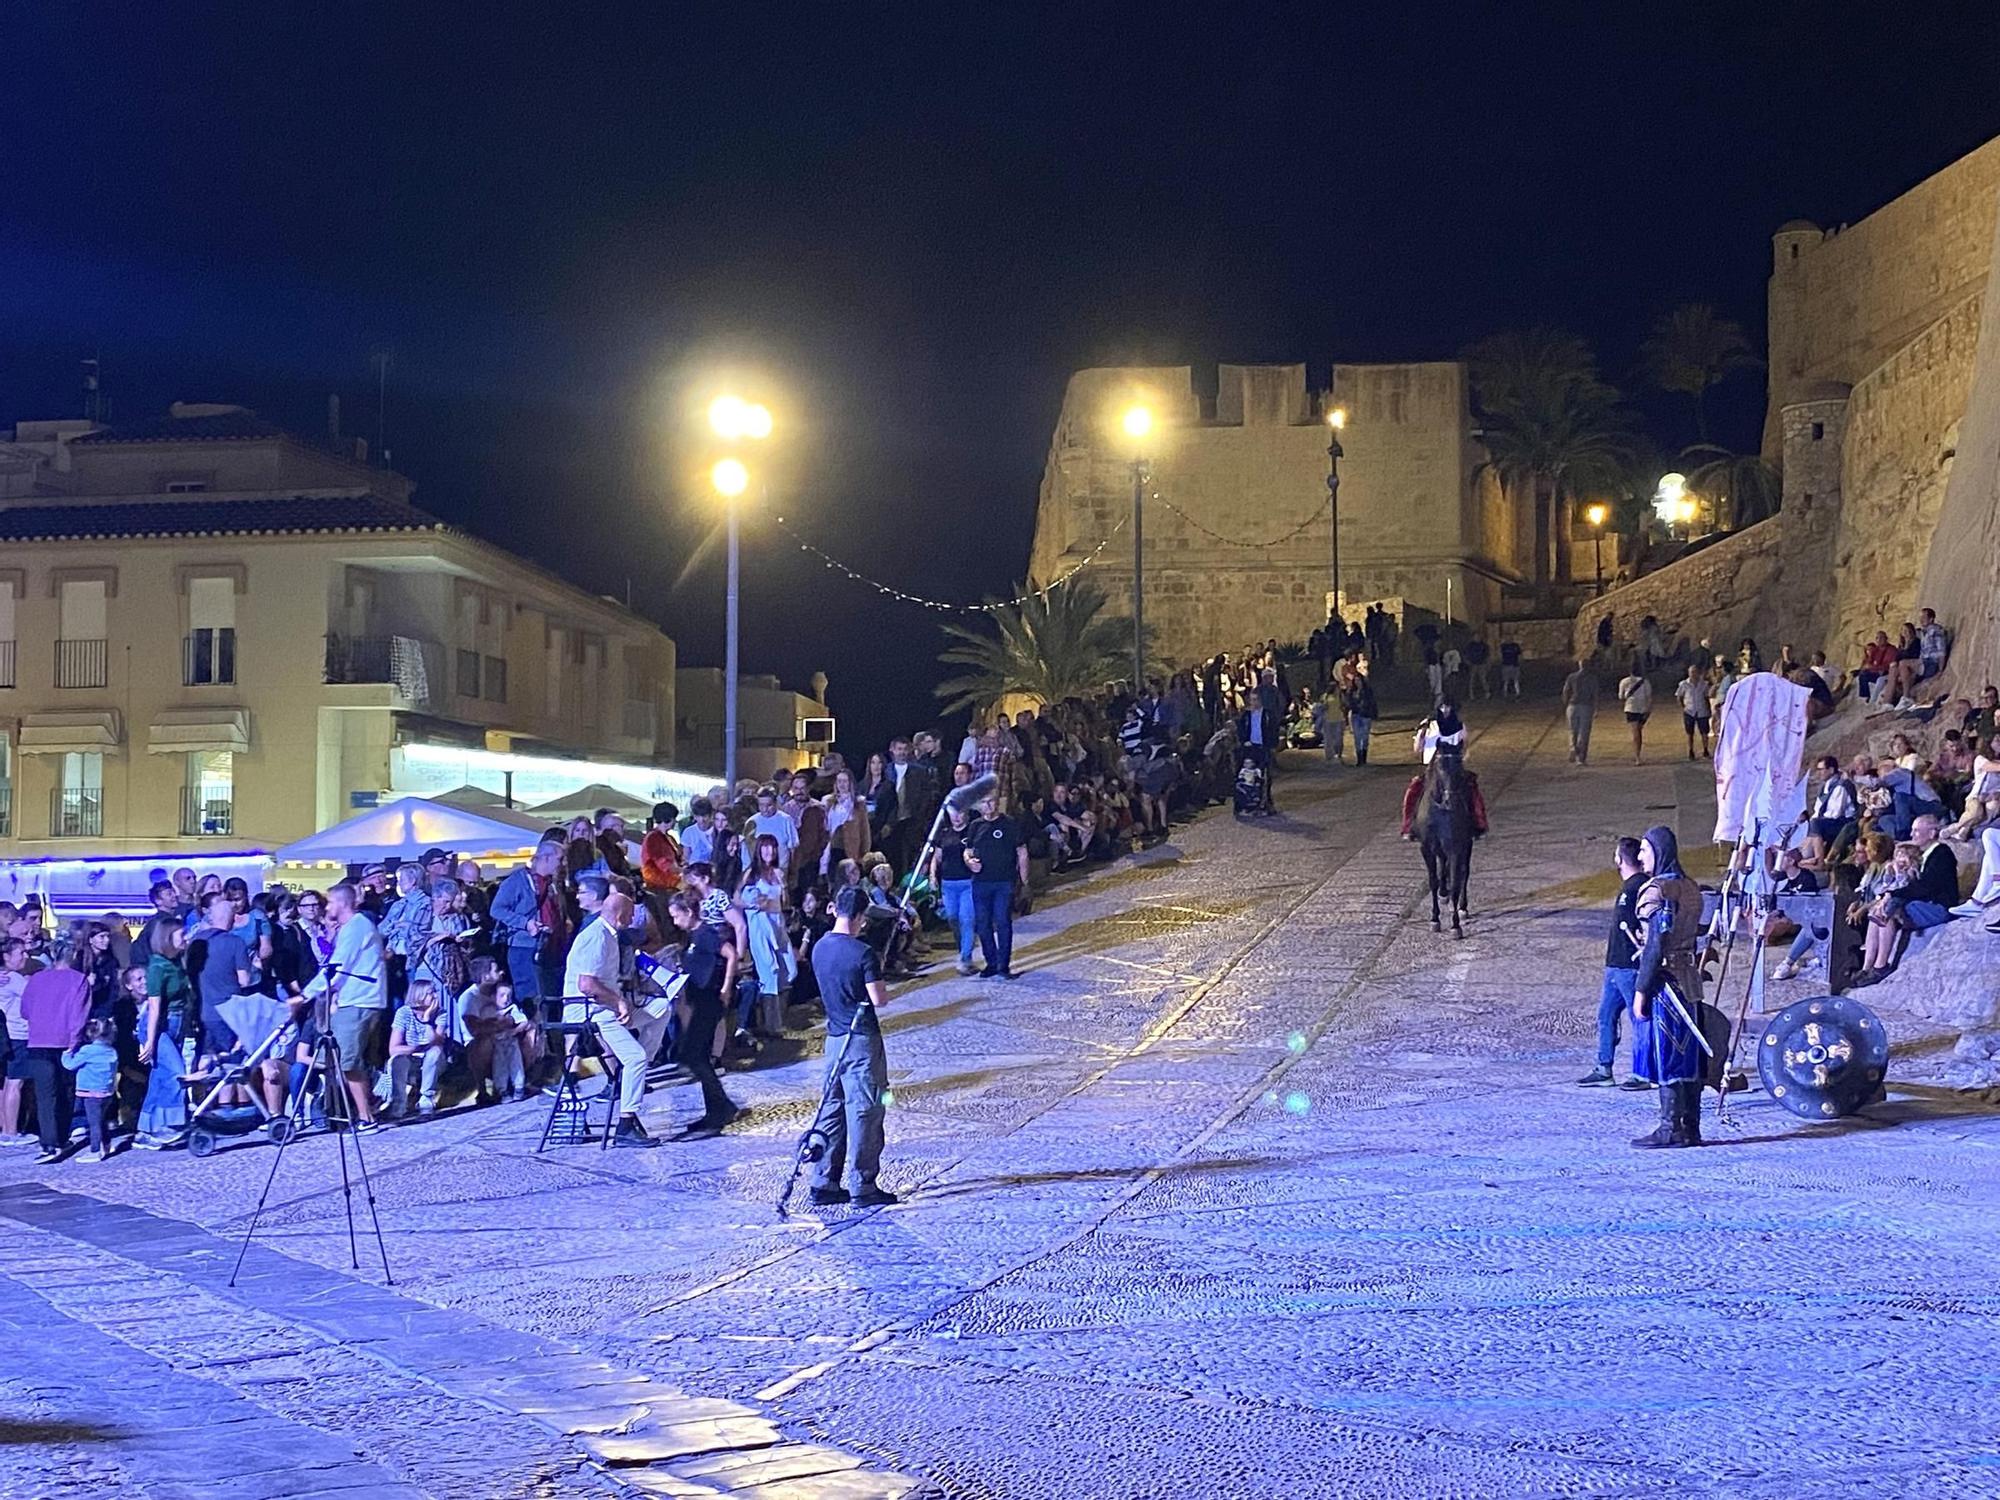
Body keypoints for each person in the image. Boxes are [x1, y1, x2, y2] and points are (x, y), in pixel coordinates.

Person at [806, 886, 897, 1208]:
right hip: (861, 1041)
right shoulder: (863, 953)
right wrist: (877, 967)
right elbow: (879, 999)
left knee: (832, 1110)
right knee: (865, 1110)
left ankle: (824, 1180)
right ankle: (863, 1184)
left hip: (833, 1040)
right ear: (859, 916)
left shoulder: (819, 948)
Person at [562, 890, 664, 1147]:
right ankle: (626, 1124)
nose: (632, 921)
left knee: (662, 1008)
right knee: (634, 1058)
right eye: (630, 915)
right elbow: (586, 984)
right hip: (592, 1012)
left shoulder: (609, 935)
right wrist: (617, 1001)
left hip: (608, 1008)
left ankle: (641, 1068)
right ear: (619, 915)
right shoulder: (596, 937)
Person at [1629, 826, 1705, 1149]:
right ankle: (1691, 1126)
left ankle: (1671, 1127)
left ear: (1658, 853)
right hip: (1690, 981)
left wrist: (1641, 990)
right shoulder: (1689, 887)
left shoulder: (1657, 891)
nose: (1640, 856)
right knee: (1689, 1055)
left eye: (1644, 850)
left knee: (1670, 1054)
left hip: (1666, 985)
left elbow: (1654, 946)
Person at [304, 881, 388, 1133]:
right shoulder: (350, 928)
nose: (326, 907)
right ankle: (357, 1110)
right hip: (353, 1000)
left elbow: (337, 966)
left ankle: (367, 1117)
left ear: (341, 903)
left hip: (361, 1001)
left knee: (347, 1060)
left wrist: (305, 995)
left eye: (329, 902)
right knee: (343, 1059)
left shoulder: (356, 927)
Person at [665, 890, 742, 1137]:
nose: (675, 922)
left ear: (689, 912)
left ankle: (721, 1108)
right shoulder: (692, 938)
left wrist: (726, 987)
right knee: (696, 1055)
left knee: (692, 1054)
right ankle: (718, 1108)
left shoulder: (706, 934)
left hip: (711, 1000)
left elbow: (730, 954)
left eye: (677, 916)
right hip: (700, 1001)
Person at [1853, 813, 1957, 987]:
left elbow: (1926, 887)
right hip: (1924, 904)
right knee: (1876, 911)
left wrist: (1893, 895)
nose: (1912, 835)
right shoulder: (1925, 856)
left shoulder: (1942, 853)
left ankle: (1880, 966)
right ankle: (1867, 967)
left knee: (1889, 912)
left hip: (1937, 907)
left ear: (1932, 833)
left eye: (1916, 831)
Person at [1577, 837, 1645, 1088]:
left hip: (1628, 967)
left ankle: (1642, 1073)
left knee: (1638, 1020)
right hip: (1615, 967)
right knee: (1606, 1016)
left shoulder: (1636, 888)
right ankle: (1604, 1068)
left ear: (1619, 859)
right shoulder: (1633, 887)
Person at [21, 941, 91, 1163]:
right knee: (65, 1093)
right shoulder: (78, 980)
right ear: (73, 955)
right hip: (64, 1042)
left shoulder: (36, 979)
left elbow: (25, 1011)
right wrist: (75, 1041)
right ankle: (61, 1139)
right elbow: (79, 1015)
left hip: (37, 1041)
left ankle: (48, 1144)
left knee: (45, 1096)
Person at [490, 840, 568, 1012]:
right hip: (523, 949)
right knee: (531, 997)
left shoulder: (551, 883)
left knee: (549, 997)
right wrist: (525, 923)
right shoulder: (517, 881)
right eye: (560, 859)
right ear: (546, 858)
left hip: (548, 948)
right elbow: (496, 909)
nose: (563, 863)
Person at [135, 919, 193, 1146]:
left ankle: (145, 1130)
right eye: (181, 935)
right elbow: (154, 1007)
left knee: (159, 1078)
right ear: (168, 938)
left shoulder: (177, 962)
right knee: (175, 1073)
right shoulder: (157, 967)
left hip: (176, 1024)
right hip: (159, 1026)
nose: (185, 938)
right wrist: (149, 1041)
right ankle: (168, 1124)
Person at [964, 789, 1028, 979]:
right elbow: (967, 850)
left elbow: (1021, 851)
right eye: (984, 802)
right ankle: (991, 962)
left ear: (998, 802)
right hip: (981, 882)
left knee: (1002, 922)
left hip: (1003, 881)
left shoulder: (1009, 824)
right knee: (983, 924)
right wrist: (969, 862)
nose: (988, 806)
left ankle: (1003, 965)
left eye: (991, 802)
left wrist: (1025, 882)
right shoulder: (975, 826)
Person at [62, 1017, 121, 1162]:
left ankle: (95, 1151)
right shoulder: (112, 1051)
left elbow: (69, 1065)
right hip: (107, 1092)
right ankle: (107, 1146)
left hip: (90, 1093)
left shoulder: (87, 1051)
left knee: (93, 1123)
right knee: (101, 1121)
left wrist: (67, 1052)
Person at [641, 802, 683, 897]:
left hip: (670, 880)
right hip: (659, 883)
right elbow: (663, 864)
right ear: (668, 819)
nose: (675, 822)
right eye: (674, 818)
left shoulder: (668, 837)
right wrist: (682, 871)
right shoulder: (653, 838)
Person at [1562, 657, 1599, 765]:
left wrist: (1566, 704)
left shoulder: (1571, 677)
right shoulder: (1592, 678)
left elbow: (1565, 691)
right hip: (1586, 706)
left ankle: (1573, 748)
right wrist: (1596, 708)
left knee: (1572, 730)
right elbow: (1595, 694)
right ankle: (1581, 758)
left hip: (1572, 705)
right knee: (1584, 732)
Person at [1341, 659, 1377, 766]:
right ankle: (1360, 758)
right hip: (1358, 713)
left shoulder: (1367, 688)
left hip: (1363, 713)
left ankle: (1362, 758)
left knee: (1363, 737)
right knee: (1359, 737)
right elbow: (1348, 701)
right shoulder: (1354, 689)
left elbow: (1371, 701)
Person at [1674, 663, 1713, 760]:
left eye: (1695, 672)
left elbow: (1706, 697)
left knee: (1704, 732)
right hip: (1689, 710)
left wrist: (1708, 709)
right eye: (1691, 672)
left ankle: (1705, 750)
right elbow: (1679, 696)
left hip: (1701, 710)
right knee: (1690, 733)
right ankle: (1691, 751)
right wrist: (1683, 707)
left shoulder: (1704, 684)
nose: (1693, 674)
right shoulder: (1684, 684)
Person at [1617, 660, 1653, 764]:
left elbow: (1621, 696)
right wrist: (1649, 710)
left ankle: (1637, 755)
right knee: (1638, 732)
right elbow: (1649, 697)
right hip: (1642, 709)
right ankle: (1637, 754)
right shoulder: (1645, 682)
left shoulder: (1624, 682)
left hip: (1631, 708)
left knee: (1636, 732)